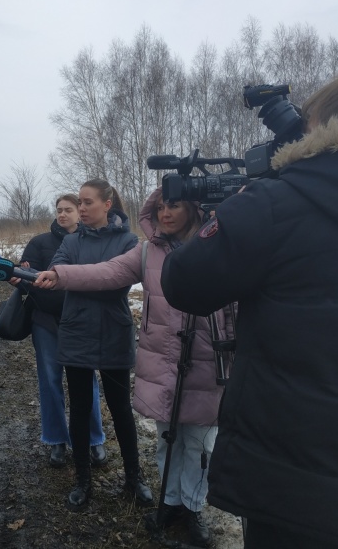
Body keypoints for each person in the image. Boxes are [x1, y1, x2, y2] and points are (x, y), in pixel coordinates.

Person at [160, 65, 338, 549]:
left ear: (326, 127)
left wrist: (240, 209)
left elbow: (184, 282)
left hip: (294, 487)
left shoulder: (280, 202)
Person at [35, 188, 232, 547]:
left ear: (193, 207)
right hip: (163, 360)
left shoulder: (218, 245)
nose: (166, 213)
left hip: (204, 359)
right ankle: (170, 502)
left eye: (174, 205)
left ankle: (193, 507)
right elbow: (105, 272)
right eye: (160, 206)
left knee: (200, 443)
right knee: (167, 439)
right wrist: (60, 275)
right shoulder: (146, 251)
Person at [34, 179, 152, 511]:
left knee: (120, 408)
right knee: (82, 408)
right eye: (79, 203)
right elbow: (58, 276)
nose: (82, 209)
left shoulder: (129, 241)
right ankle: (83, 480)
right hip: (76, 333)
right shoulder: (70, 241)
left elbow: (116, 287)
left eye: (87, 203)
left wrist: (75, 277)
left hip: (113, 333)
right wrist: (70, 277)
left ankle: (134, 478)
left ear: (107, 204)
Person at [17, 194, 107, 468]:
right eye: (59, 210)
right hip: (46, 322)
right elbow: (24, 278)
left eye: (69, 210)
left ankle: (94, 440)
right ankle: (56, 439)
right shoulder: (40, 242)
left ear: (80, 213)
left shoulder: (90, 242)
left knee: (87, 382)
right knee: (50, 381)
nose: (63, 214)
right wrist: (18, 277)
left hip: (81, 324)